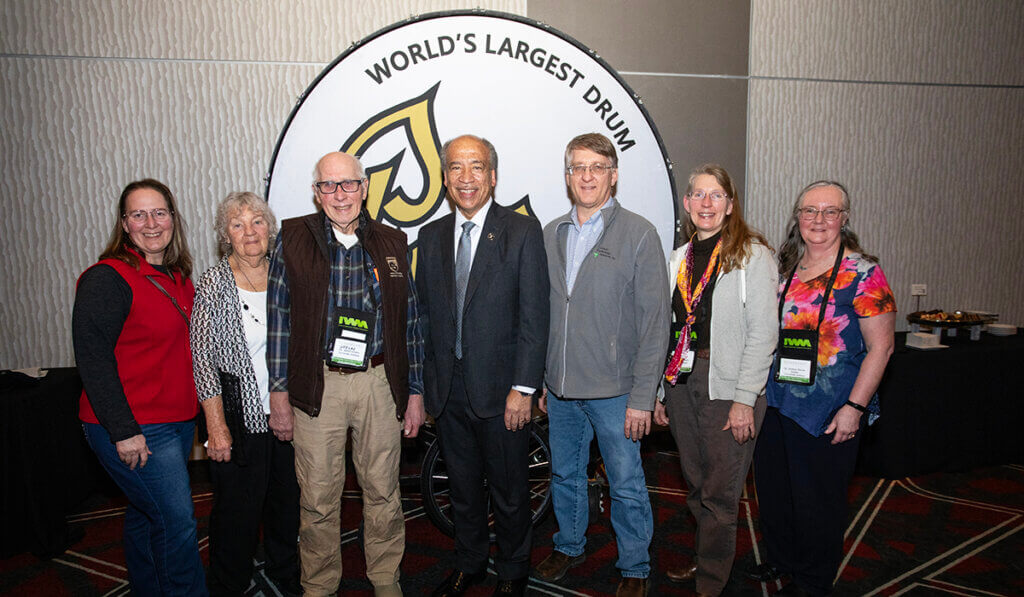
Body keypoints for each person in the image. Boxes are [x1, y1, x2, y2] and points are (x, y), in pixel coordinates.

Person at [266, 151, 425, 597]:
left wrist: (414, 392)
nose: (340, 195)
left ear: (365, 187)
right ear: (316, 193)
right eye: (328, 186)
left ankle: (385, 579)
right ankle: (318, 586)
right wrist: (279, 395)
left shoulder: (393, 241)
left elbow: (410, 321)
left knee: (383, 491)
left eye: (348, 184)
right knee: (317, 497)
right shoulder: (292, 237)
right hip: (319, 385)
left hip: (379, 383)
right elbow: (279, 318)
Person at [536, 133, 670, 597]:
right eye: (577, 167)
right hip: (561, 388)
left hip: (617, 393)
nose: (586, 176)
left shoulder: (639, 233)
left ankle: (635, 565)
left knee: (626, 481)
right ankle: (569, 545)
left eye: (596, 167)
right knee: (564, 474)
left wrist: (643, 398)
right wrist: (542, 380)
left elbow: (656, 325)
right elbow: (545, 313)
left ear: (613, 174)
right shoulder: (552, 231)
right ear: (567, 176)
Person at [416, 135, 550, 597]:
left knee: (511, 493)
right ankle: (469, 561)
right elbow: (426, 317)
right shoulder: (430, 237)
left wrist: (524, 387)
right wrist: (425, 386)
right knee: (463, 488)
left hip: (502, 392)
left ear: (493, 176)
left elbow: (535, 317)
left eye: (476, 167)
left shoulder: (521, 231)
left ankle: (513, 573)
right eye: (456, 168)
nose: (466, 178)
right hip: (448, 392)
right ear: (445, 178)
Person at [752, 181, 896, 596]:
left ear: (844, 220)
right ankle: (783, 559)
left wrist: (855, 407)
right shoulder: (786, 268)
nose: (819, 220)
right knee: (777, 492)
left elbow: (882, 348)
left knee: (818, 500)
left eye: (829, 212)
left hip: (829, 409)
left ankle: (813, 581)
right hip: (776, 401)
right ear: (797, 217)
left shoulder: (863, 273)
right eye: (810, 211)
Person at [72, 179, 207, 595]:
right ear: (124, 224)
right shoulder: (107, 278)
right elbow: (93, 359)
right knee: (176, 521)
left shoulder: (179, 278)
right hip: (134, 427)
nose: (151, 223)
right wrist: (123, 431)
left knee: (146, 514)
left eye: (159, 212)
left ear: (173, 218)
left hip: (178, 422)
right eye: (138, 214)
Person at [652, 165, 778, 596]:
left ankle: (711, 584)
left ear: (729, 204)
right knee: (696, 484)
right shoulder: (677, 259)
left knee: (721, 494)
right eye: (699, 195)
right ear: (686, 204)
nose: (707, 203)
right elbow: (668, 330)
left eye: (716, 195)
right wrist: (660, 393)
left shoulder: (752, 255)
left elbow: (764, 333)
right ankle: (707, 558)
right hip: (683, 383)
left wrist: (745, 399)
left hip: (730, 384)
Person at [190, 192, 300, 596]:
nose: (249, 231)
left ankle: (286, 572)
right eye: (238, 225)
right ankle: (228, 583)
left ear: (270, 229)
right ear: (225, 235)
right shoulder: (214, 282)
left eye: (257, 221)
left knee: (286, 503)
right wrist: (216, 428)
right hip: (238, 415)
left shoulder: (285, 274)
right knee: (237, 511)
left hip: (288, 413)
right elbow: (202, 359)